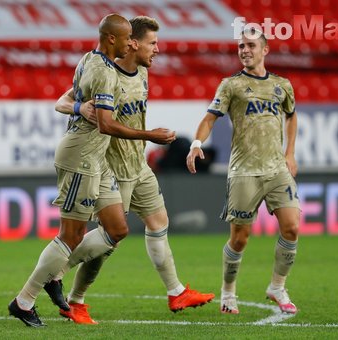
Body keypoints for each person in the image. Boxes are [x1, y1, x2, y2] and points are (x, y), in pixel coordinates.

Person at [8, 13, 176, 328]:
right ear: (112, 39)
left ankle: (54, 277)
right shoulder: (104, 72)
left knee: (117, 229)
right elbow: (106, 124)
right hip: (81, 157)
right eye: (127, 38)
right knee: (71, 235)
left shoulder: (89, 59)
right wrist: (150, 136)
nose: (131, 43)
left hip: (98, 161)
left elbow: (73, 100)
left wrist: (76, 106)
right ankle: (24, 300)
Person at [48, 16, 215, 324]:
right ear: (133, 43)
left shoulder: (141, 73)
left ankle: (176, 291)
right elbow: (64, 100)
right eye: (152, 43)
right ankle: (65, 288)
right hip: (112, 168)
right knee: (111, 239)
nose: (158, 49)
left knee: (158, 220)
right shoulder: (104, 74)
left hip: (138, 165)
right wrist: (77, 107)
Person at [186, 28, 300, 315]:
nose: (245, 50)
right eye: (241, 46)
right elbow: (209, 118)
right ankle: (228, 292)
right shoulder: (231, 85)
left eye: (251, 45)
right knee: (239, 238)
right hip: (244, 171)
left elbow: (291, 115)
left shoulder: (282, 84)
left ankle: (277, 286)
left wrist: (289, 153)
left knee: (292, 227)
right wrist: (196, 143)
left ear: (265, 50)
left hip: (276, 169)